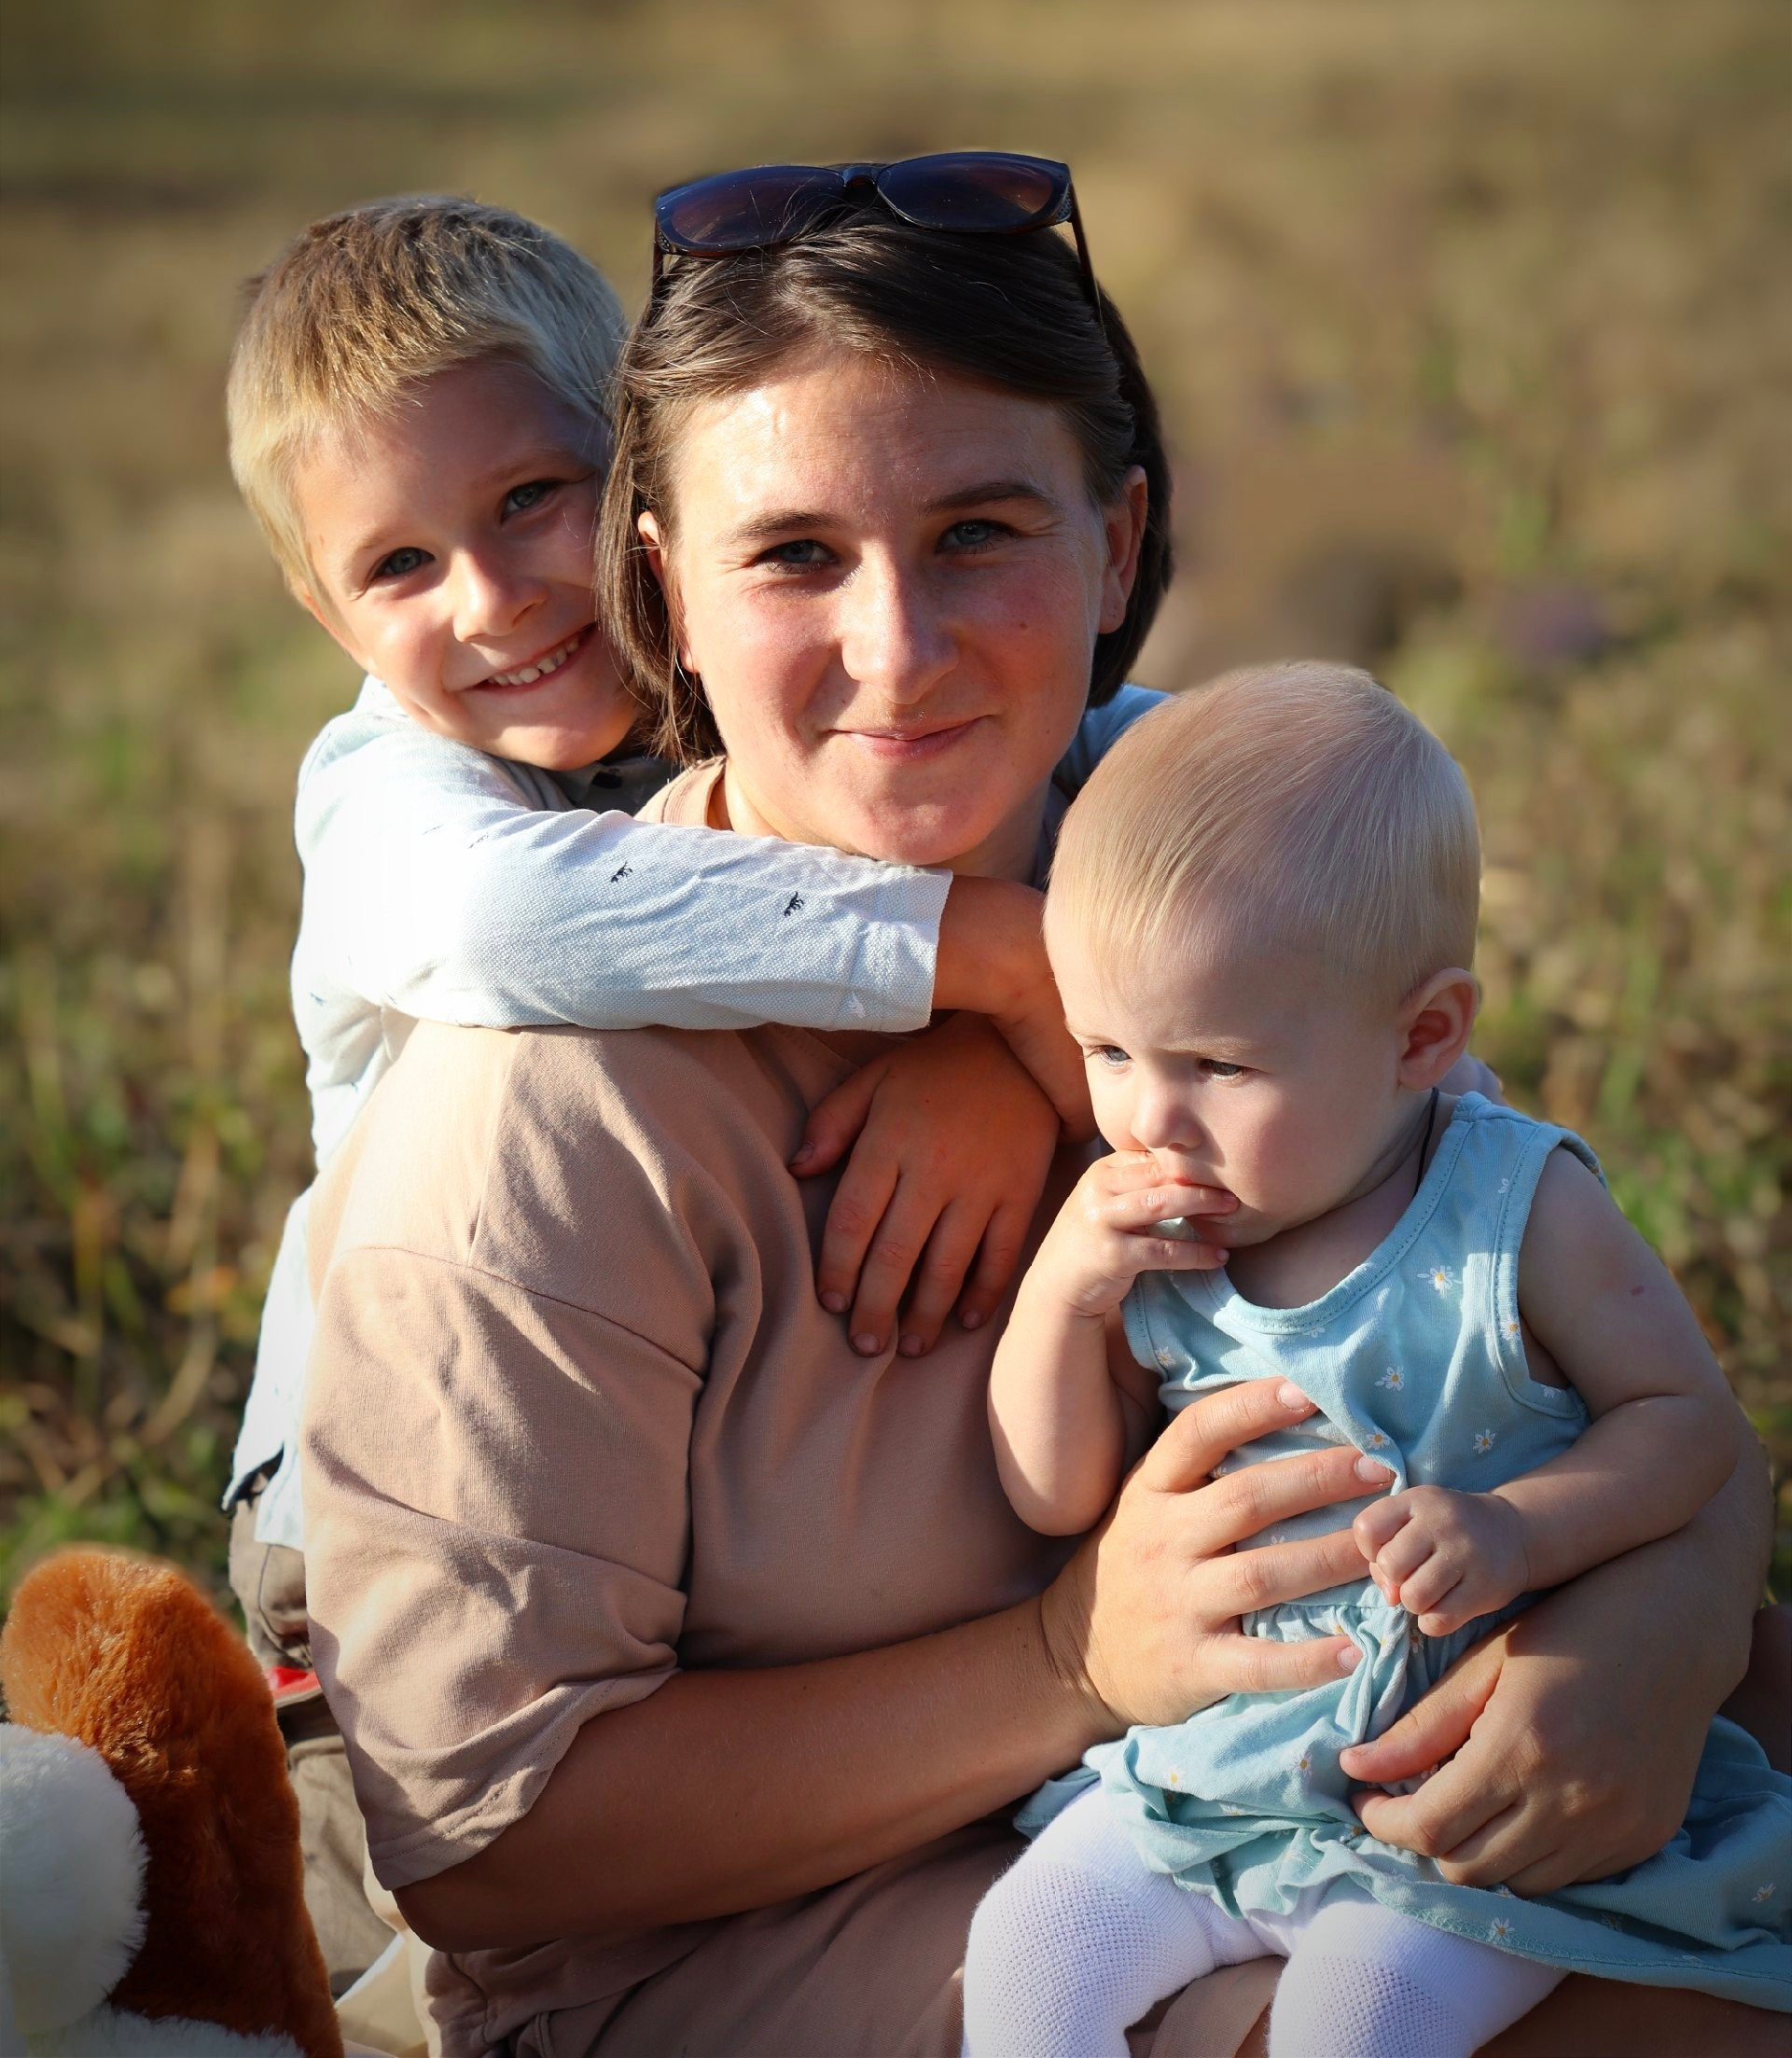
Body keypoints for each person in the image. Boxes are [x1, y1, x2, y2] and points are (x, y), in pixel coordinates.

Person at [299, 155, 1781, 2057]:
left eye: (981, 527)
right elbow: (491, 1837)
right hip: (764, 1934)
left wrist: (1643, 1649)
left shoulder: (1216, 909)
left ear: (1116, 538)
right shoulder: (536, 1126)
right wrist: (1066, 1657)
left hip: (1322, 1774)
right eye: (793, 553)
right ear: (654, 578)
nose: (898, 647)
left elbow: (1583, 1358)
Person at [218, 190, 1127, 1984]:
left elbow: (1142, 742)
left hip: (717, 1465)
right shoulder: (396, 801)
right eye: (397, 569)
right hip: (368, 1504)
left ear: (638, 515)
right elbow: (509, 919)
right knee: (338, 1916)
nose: (491, 604)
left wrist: (997, 1064)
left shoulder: (759, 696)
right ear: (319, 605)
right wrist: (993, 964)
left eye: (528, 505)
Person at [963, 666, 1791, 2058]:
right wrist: (1060, 1299)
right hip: (1216, 1777)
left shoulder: (1508, 1209)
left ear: (1421, 1035)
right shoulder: (1152, 1240)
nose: (1147, 1116)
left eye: (1215, 1065)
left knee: (1358, 2018)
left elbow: (1684, 1423)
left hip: (1450, 1806)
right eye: (1106, 1047)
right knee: (1030, 1952)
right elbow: (1051, 1493)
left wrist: (1517, 1529)